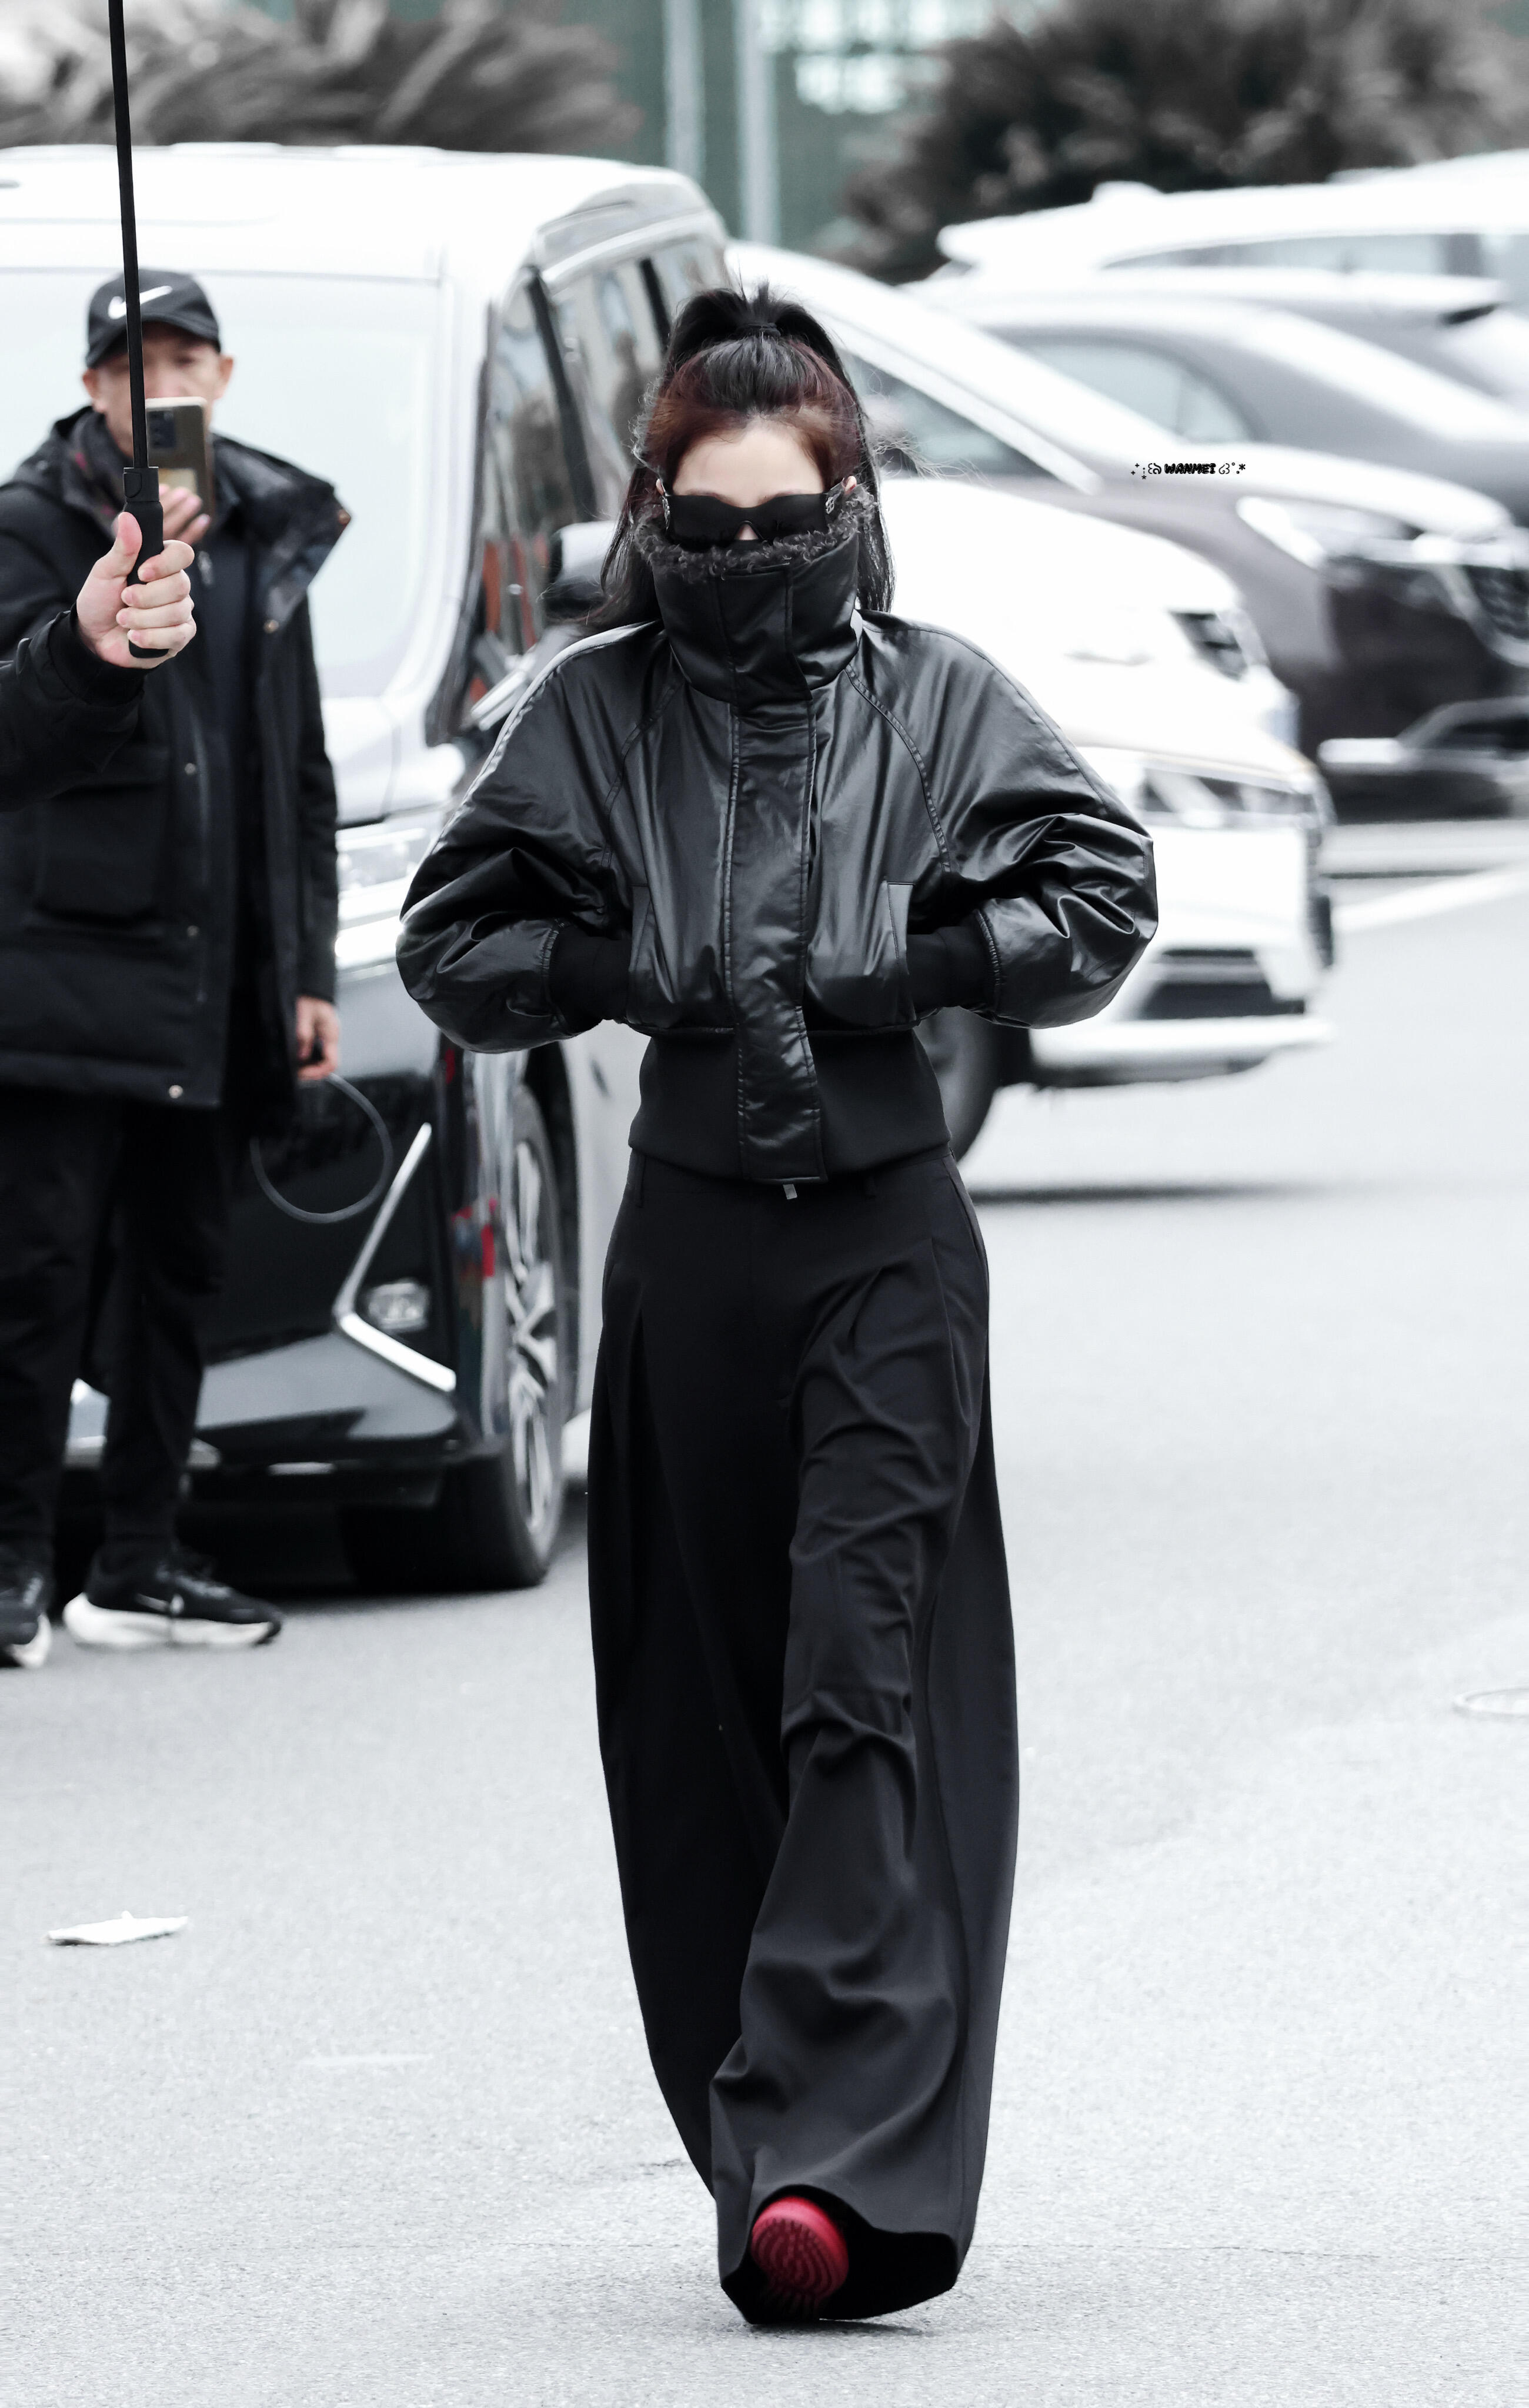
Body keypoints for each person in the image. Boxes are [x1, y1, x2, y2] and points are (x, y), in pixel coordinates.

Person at [398, 287, 1157, 2323]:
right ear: (654, 512)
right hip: (693, 1251)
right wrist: (612, 958)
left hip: (886, 1245)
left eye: (783, 520)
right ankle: (764, 2141)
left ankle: (838, 2149)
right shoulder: (585, 708)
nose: (744, 558)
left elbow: (1100, 895)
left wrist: (922, 954)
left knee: (854, 1667)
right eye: (706, 523)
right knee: (704, 1701)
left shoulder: (942, 696)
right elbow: (453, 938)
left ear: (849, 507)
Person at [0, 268, 346, 1672]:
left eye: (186, 360)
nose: (163, 387)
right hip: (65, 970)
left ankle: (140, 1560)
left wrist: (306, 969)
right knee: (33, 1278)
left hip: (219, 972)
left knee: (182, 1270)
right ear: (91, 388)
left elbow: (299, 768)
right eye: (132, 364)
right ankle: (11, 1565)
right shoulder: (30, 524)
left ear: (225, 376)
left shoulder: (265, 530)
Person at [1, 507, 199, 811]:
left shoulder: (259, 511)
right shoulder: (20, 518)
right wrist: (85, 656)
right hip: (98, 823)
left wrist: (88, 649)